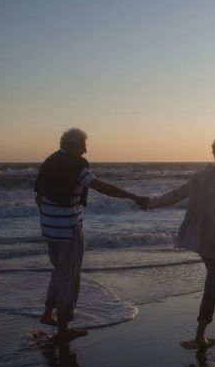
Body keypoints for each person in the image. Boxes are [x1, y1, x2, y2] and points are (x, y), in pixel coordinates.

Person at [34, 127, 148, 341]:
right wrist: (133, 196)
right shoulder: (76, 165)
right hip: (68, 228)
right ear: (74, 146)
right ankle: (63, 327)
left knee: (59, 270)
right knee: (70, 274)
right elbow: (101, 187)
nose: (86, 150)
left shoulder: (49, 161)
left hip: (48, 227)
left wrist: (49, 218)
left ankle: (48, 314)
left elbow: (38, 197)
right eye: (83, 145)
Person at [149, 136, 215, 347]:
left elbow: (176, 195)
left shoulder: (199, 177)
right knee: (214, 282)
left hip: (202, 239)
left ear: (213, 152)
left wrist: (150, 203)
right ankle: (200, 333)